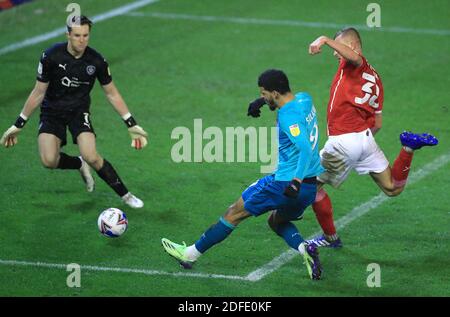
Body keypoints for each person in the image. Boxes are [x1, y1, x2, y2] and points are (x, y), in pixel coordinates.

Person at [162, 69, 325, 280]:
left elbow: (304, 148)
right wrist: (261, 102)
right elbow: (287, 106)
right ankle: (305, 249)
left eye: (264, 93)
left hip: (286, 184)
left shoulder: (287, 117)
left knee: (234, 212)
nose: (263, 96)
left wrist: (295, 181)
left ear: (275, 93)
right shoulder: (305, 99)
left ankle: (189, 254)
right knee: (276, 221)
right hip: (310, 189)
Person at [301, 27, 438, 247]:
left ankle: (330, 238)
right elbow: (378, 123)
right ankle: (409, 148)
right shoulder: (376, 78)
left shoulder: (355, 62)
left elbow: (354, 57)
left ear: (353, 46)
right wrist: (359, 146)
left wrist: (324, 39)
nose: (336, 54)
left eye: (340, 47)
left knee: (307, 186)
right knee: (393, 188)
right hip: (364, 138)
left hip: (344, 141)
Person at [0, 15, 148, 208]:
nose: (82, 40)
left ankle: (126, 195)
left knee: (91, 155)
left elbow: (112, 94)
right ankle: (78, 164)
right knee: (49, 160)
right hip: (51, 111)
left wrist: (131, 123)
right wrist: (19, 123)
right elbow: (38, 92)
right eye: (77, 35)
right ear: (68, 34)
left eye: (86, 35)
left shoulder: (96, 61)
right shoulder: (51, 56)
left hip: (78, 112)